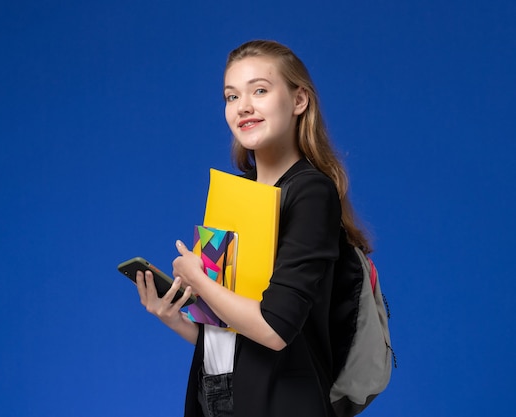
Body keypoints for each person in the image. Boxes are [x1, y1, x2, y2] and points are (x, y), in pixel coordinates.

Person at [135, 40, 371, 417]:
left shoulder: (310, 192)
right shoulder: (237, 195)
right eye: (231, 96)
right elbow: (233, 336)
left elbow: (274, 331)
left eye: (259, 90)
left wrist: (200, 282)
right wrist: (174, 318)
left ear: (299, 101)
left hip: (282, 403)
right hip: (216, 395)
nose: (242, 106)